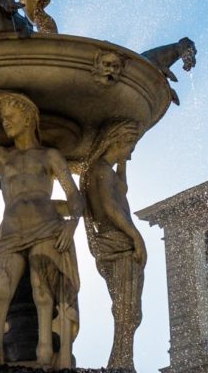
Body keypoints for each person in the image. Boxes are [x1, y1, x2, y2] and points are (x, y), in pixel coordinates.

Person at [0, 92, 82, 373]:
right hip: (10, 232)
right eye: (3, 118)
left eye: (11, 117)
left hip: (46, 227)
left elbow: (74, 194)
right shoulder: (1, 155)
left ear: (28, 118)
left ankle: (45, 354)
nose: (5, 123)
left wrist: (73, 223)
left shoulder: (49, 155)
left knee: (42, 291)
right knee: (1, 288)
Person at [81, 120, 146, 373]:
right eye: (130, 146)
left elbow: (121, 189)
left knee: (129, 309)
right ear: (117, 141)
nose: (131, 152)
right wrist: (136, 236)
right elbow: (110, 207)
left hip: (117, 242)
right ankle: (121, 363)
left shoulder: (103, 169)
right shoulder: (100, 170)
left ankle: (121, 360)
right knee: (126, 308)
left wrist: (122, 162)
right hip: (118, 241)